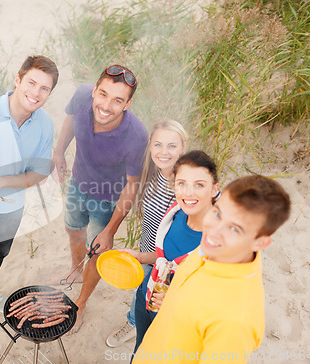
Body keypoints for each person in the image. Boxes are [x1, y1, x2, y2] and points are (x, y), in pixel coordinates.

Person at [133, 175, 291, 363]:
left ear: (260, 242)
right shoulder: (215, 248)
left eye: (234, 229)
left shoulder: (234, 321)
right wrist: (173, 300)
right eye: (217, 213)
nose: (214, 230)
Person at [52, 65, 148, 333]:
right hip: (78, 182)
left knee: (97, 250)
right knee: (72, 228)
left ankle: (80, 304)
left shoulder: (137, 136)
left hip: (107, 201)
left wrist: (110, 230)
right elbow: (70, 119)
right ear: (94, 90)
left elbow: (132, 186)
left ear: (128, 104)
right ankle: (74, 269)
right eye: (103, 94)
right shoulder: (82, 96)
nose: (106, 105)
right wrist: (59, 151)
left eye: (118, 100)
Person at [0, 55, 59, 312]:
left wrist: (3, 181)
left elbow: (39, 172)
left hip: (11, 207)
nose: (35, 93)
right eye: (31, 83)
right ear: (17, 80)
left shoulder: (45, 124)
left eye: (44, 88)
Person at [121, 150, 219, 353]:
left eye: (199, 185)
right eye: (181, 183)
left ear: (214, 189)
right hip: (147, 296)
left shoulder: (220, 243)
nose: (188, 193)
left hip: (176, 319)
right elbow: (167, 257)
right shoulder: (177, 213)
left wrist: (176, 300)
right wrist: (140, 257)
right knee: (140, 350)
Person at [106, 119, 188, 347]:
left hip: (167, 259)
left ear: (183, 147)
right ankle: (134, 323)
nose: (163, 152)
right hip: (147, 247)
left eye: (172, 146)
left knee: (157, 301)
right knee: (143, 291)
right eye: (158, 145)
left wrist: (152, 258)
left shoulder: (183, 184)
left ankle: (145, 331)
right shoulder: (152, 172)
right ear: (150, 146)